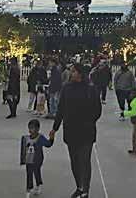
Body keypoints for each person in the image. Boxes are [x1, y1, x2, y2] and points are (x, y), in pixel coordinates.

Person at [50, 63, 102, 198]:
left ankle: (85, 191)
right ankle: (79, 186)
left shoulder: (91, 89)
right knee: (75, 161)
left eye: (73, 71)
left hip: (86, 132)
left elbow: (97, 110)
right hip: (71, 130)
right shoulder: (66, 88)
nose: (71, 73)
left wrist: (89, 121)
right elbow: (61, 109)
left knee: (84, 161)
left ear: (80, 73)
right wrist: (55, 128)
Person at [20, 119, 54, 198]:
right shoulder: (26, 138)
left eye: (32, 128)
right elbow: (23, 150)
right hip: (29, 160)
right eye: (29, 128)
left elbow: (48, 144)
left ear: (38, 129)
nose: (30, 130)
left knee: (36, 172)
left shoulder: (40, 138)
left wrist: (51, 138)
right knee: (29, 174)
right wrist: (23, 160)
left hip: (38, 160)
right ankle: (28, 189)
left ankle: (38, 185)